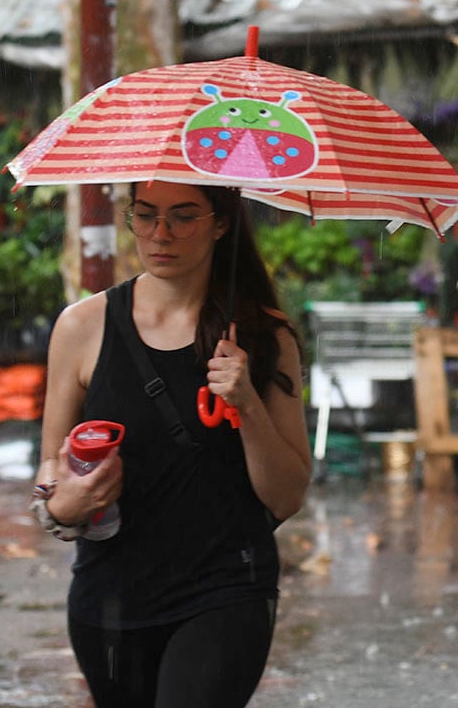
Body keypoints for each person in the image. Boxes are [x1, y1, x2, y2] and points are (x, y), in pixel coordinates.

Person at [29, 180, 313, 706]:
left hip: (226, 589)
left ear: (221, 223)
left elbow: (287, 496)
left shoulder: (263, 336)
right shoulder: (81, 327)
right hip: (108, 597)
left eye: (184, 216)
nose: (161, 234)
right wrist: (63, 506)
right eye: (145, 215)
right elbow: (51, 466)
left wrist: (247, 402)